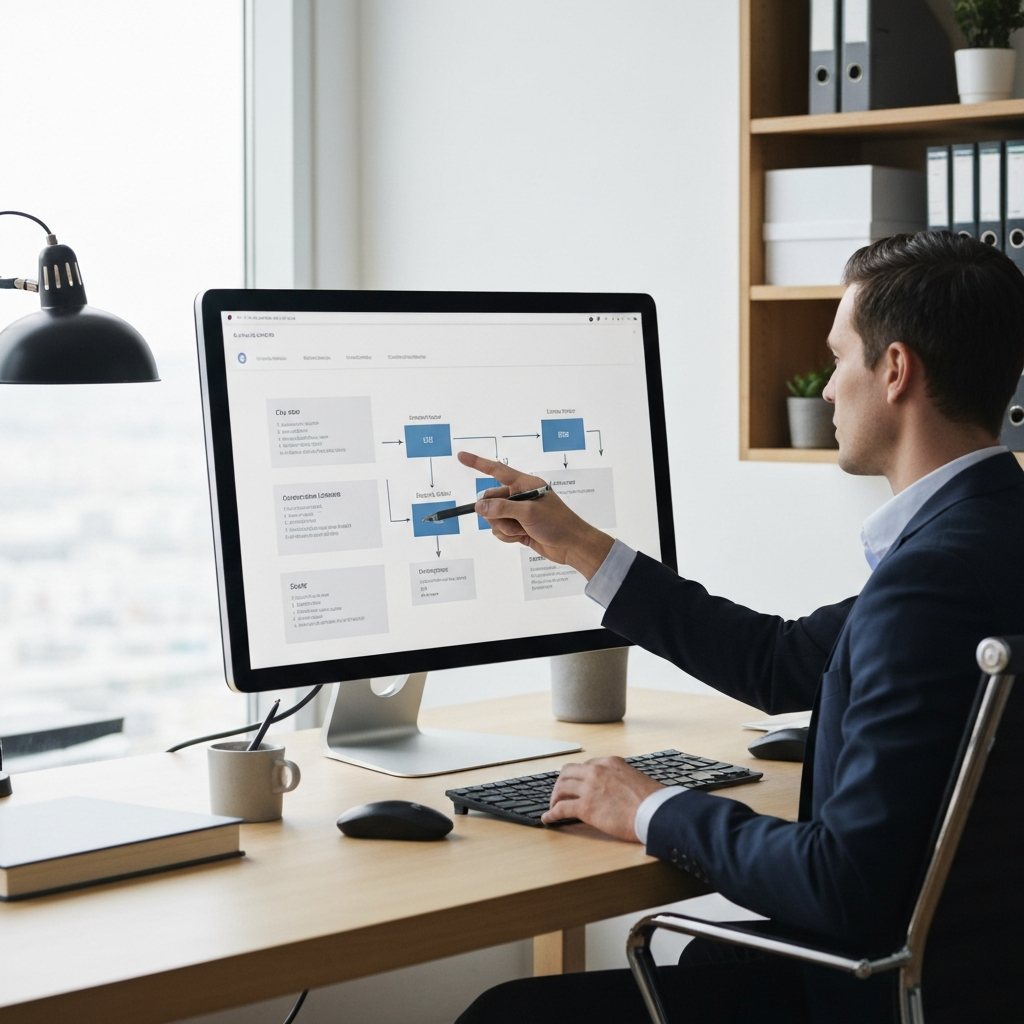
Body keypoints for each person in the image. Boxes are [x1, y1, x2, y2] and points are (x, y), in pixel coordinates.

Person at [454, 233, 1024, 1024]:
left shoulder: (928, 581)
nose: (829, 389)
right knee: (711, 960)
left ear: (895, 370)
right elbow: (782, 660)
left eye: (838, 359)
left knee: (507, 1015)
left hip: (882, 991)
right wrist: (579, 544)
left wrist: (650, 807)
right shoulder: (990, 534)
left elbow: (843, 880)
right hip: (982, 975)